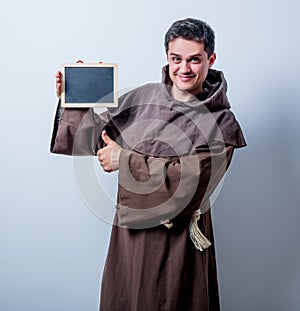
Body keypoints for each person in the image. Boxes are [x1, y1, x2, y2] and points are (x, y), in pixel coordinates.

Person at [51, 18, 246, 311]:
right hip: (129, 242)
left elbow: (190, 184)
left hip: (179, 248)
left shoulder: (221, 122)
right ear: (167, 57)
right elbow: (92, 139)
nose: (184, 69)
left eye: (195, 60)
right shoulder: (142, 98)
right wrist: (75, 100)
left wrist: (124, 160)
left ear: (211, 59)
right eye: (176, 59)